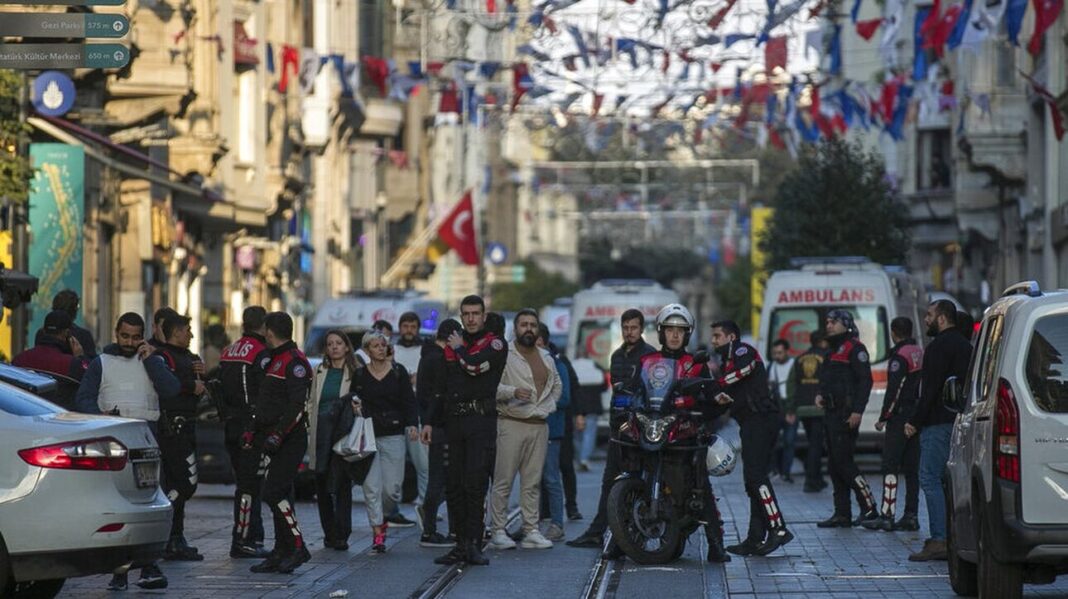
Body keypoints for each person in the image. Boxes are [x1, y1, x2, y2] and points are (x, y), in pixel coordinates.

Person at [74, 312, 173, 591]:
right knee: (119, 509)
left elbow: (171, 390)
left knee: (148, 506)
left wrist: (152, 361)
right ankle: (121, 570)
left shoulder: (153, 361)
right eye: (125, 336)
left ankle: (149, 566)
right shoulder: (100, 364)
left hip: (146, 444)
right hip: (114, 445)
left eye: (135, 336)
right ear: (116, 334)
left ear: (143, 335)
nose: (129, 342)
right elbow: (83, 399)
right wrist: (101, 415)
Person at [636, 305, 731, 562]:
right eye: (670, 330)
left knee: (701, 483)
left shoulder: (695, 364)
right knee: (630, 469)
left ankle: (716, 542)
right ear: (661, 332)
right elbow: (636, 391)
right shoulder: (647, 361)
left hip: (684, 429)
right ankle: (621, 540)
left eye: (680, 331)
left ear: (686, 334)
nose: (675, 335)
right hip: (653, 425)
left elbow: (711, 391)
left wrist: (716, 398)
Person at [568, 308, 656, 553]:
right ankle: (598, 531)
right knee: (609, 481)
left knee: (635, 481)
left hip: (639, 429)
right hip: (619, 427)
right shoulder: (617, 355)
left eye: (634, 328)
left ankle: (629, 534)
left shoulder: (650, 356)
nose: (629, 332)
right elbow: (617, 390)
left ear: (641, 329)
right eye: (626, 328)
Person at [429, 295, 508, 567]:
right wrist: (430, 422)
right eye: (466, 314)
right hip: (455, 421)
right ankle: (459, 543)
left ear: (484, 316)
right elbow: (442, 386)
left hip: (480, 421)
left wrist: (460, 349)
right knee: (454, 486)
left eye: (476, 313)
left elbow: (475, 367)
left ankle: (474, 544)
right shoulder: (454, 344)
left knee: (475, 485)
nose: (471, 318)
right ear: (461, 316)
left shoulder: (495, 343)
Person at [711, 321, 793, 557]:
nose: (714, 340)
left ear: (731, 337)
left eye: (718, 336)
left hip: (761, 420)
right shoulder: (727, 362)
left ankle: (778, 529)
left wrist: (716, 384)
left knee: (757, 478)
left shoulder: (741, 350)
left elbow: (743, 371)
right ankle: (755, 538)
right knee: (751, 482)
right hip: (750, 423)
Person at [488, 310, 561, 551]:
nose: (528, 329)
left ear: (538, 329)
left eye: (532, 325)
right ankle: (498, 529)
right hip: (511, 423)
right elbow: (490, 387)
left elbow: (556, 386)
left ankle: (531, 530)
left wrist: (547, 407)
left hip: (539, 426)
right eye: (523, 325)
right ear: (515, 328)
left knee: (532, 483)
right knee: (503, 481)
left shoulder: (546, 356)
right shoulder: (504, 354)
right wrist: (512, 392)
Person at [906, 300, 972, 561]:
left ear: (942, 318)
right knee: (948, 481)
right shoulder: (966, 346)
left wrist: (915, 421)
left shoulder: (937, 348)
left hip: (937, 422)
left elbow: (930, 389)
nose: (926, 320)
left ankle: (939, 540)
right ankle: (950, 535)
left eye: (929, 315)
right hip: (958, 421)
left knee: (929, 478)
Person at [249, 312, 313, 574]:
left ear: (269, 332)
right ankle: (281, 550)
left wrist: (278, 434)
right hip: (271, 438)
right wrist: (253, 431)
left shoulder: (294, 362)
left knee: (273, 492)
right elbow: (266, 404)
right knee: (280, 494)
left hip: (289, 439)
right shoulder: (274, 359)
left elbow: (298, 406)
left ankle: (298, 546)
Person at [352, 331, 420, 554]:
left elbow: (409, 401)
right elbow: (353, 398)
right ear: (367, 350)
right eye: (375, 345)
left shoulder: (398, 372)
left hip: (394, 434)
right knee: (371, 487)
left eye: (383, 345)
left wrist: (412, 425)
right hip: (369, 434)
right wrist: (355, 407)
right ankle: (377, 532)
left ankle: (383, 515)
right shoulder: (360, 374)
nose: (381, 348)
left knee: (392, 489)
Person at [216, 306, 273, 559]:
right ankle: (243, 539)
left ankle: (253, 535)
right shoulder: (261, 353)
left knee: (246, 483)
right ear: (263, 325)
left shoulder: (229, 351)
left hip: (231, 424)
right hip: (252, 427)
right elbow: (265, 392)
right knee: (250, 486)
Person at [815, 310, 877, 528]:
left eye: (833, 322)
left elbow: (865, 381)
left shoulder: (855, 348)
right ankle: (842, 513)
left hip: (846, 414)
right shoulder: (831, 350)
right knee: (834, 465)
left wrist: (858, 411)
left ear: (846, 324)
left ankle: (869, 507)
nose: (829, 325)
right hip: (831, 413)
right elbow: (826, 379)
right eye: (828, 321)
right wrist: (820, 394)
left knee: (844, 463)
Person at [152, 312, 207, 561]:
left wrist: (201, 376)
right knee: (184, 484)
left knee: (179, 484)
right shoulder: (162, 356)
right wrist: (189, 385)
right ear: (175, 332)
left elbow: (199, 391)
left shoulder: (190, 358)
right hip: (171, 429)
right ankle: (162, 527)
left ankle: (175, 537)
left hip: (187, 427)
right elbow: (166, 387)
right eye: (187, 330)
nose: (191, 335)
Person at [861, 317, 922, 532]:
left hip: (899, 417)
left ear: (894, 332)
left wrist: (884, 416)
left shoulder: (900, 356)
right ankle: (911, 515)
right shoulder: (919, 351)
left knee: (890, 465)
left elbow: (895, 389)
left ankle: (887, 514)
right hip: (915, 416)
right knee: (912, 468)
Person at [307, 330, 360, 551]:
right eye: (330, 344)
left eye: (339, 343)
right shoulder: (318, 370)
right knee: (321, 482)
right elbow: (311, 401)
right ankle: (329, 532)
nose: (334, 347)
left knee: (341, 484)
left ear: (347, 347)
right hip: (320, 435)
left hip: (343, 435)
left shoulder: (355, 372)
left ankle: (341, 533)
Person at [417, 319, 464, 548]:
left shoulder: (427, 356)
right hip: (442, 425)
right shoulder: (439, 359)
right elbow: (438, 394)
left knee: (442, 478)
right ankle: (430, 529)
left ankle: (436, 527)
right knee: (442, 480)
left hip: (435, 424)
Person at [391, 311, 430, 526]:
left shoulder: (425, 350)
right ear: (400, 327)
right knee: (394, 468)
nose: (409, 330)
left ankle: (426, 507)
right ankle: (392, 511)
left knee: (423, 464)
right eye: (405, 326)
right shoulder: (391, 350)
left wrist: (420, 379)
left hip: (418, 414)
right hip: (397, 414)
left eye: (413, 326)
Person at [12, 310, 89, 410]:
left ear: (43, 331)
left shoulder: (19, 359)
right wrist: (80, 357)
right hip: (61, 420)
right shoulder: (71, 363)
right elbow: (89, 379)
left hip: (24, 418)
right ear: (67, 334)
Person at [794, 331, 829, 493]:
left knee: (812, 443)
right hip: (819, 407)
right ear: (822, 342)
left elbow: (794, 383)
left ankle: (818, 478)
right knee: (816, 444)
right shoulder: (826, 356)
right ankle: (811, 480)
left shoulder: (800, 358)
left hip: (803, 406)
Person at [768, 339, 797, 483]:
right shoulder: (772, 367)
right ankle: (775, 470)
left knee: (789, 441)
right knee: (773, 441)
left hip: (790, 406)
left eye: (780, 353)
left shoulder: (794, 365)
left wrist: (792, 410)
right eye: (775, 353)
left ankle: (786, 472)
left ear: (787, 351)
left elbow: (798, 389)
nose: (777, 356)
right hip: (776, 408)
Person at [573, 363, 606, 473]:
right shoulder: (597, 368)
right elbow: (604, 386)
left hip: (577, 407)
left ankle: (579, 459)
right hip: (592, 406)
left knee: (577, 436)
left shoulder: (574, 366)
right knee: (589, 435)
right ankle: (584, 459)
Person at [52, 289, 97, 359]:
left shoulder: (43, 333)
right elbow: (89, 366)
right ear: (74, 310)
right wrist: (80, 357)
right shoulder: (84, 336)